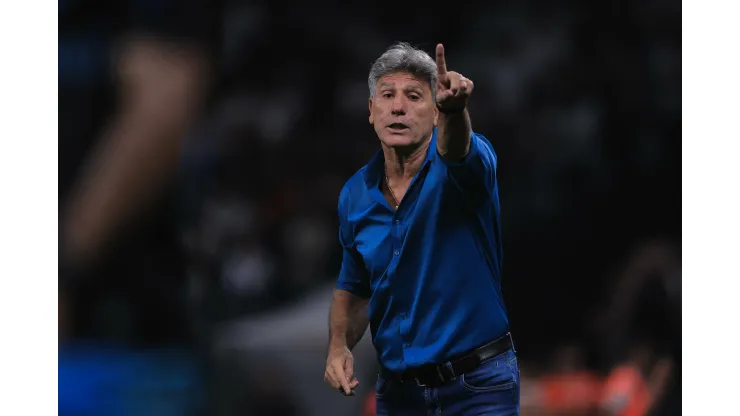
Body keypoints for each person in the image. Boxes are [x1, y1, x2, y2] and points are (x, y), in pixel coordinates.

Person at [324, 42, 519, 415]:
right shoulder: (354, 194)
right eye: (387, 95)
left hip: (477, 386)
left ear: (434, 113)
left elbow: (456, 147)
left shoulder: (465, 168)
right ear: (371, 111)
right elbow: (354, 288)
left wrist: (455, 111)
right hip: (399, 397)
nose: (398, 107)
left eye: (414, 96)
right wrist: (337, 347)